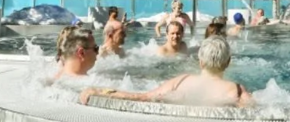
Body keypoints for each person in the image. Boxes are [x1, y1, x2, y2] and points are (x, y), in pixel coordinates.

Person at [80, 36, 252, 107]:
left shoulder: (181, 81)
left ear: (200, 62)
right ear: (228, 62)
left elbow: (142, 97)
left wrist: (98, 91)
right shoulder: (236, 90)